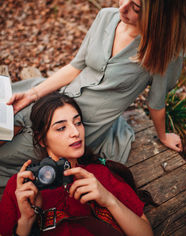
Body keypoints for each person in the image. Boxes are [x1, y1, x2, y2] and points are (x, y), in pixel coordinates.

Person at [0, 0, 186, 186]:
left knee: (7, 157)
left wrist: (163, 135)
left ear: (158, 15)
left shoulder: (163, 52)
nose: (123, 8)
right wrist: (33, 95)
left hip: (79, 126)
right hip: (57, 98)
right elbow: (76, 66)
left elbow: (157, 102)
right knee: (8, 116)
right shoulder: (106, 17)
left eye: (136, 8)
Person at [0, 92, 154, 236]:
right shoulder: (21, 187)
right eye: (61, 128)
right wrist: (26, 221)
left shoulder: (100, 174)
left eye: (78, 122)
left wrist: (109, 200)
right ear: (41, 139)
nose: (75, 132)